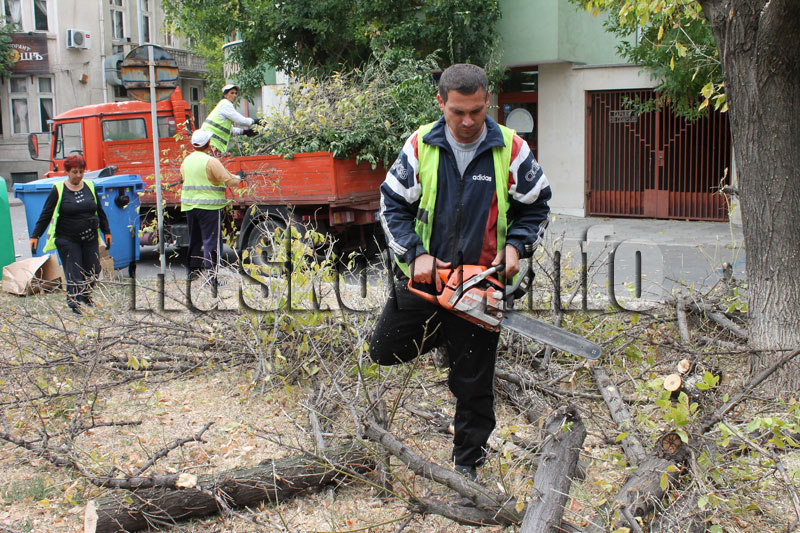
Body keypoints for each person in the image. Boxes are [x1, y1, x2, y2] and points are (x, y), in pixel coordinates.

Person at [369, 64, 551, 481]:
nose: (468, 121)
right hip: (428, 280)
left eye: (476, 111)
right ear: (441, 103)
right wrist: (414, 253)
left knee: (473, 384)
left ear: (487, 101)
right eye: (457, 112)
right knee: (383, 349)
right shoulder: (420, 146)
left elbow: (537, 206)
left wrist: (516, 247)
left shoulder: (511, 148)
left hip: (482, 284)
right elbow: (391, 204)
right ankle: (447, 336)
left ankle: (468, 465)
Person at [29, 154, 112, 314]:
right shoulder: (59, 189)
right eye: (75, 172)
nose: (78, 175)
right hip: (67, 239)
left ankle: (86, 296)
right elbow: (46, 214)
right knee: (74, 273)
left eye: (81, 171)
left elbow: (99, 211)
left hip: (90, 238)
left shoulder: (90, 186)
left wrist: (106, 231)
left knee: (94, 270)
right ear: (67, 171)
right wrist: (35, 235)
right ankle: (75, 304)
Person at [181, 129, 243, 282]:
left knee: (194, 239)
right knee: (211, 241)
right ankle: (212, 277)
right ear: (208, 143)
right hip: (209, 208)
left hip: (189, 206)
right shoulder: (210, 161)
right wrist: (240, 177)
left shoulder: (186, 161)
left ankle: (192, 272)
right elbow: (229, 180)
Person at [200, 84, 256, 154]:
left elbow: (228, 130)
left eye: (236, 93)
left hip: (210, 143)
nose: (235, 95)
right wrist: (255, 121)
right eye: (231, 93)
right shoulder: (226, 104)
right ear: (225, 95)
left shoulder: (223, 105)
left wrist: (244, 132)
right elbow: (241, 121)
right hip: (212, 143)